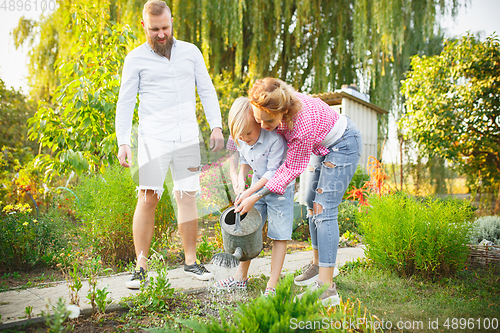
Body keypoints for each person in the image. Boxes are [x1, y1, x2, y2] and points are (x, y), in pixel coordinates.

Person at [115, 0, 224, 289]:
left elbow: (207, 88)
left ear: (172, 22)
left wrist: (216, 126)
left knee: (187, 197)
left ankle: (190, 261)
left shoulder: (191, 52)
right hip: (152, 137)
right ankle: (140, 266)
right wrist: (123, 141)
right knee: (148, 197)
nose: (161, 34)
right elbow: (125, 102)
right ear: (144, 27)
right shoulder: (135, 59)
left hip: (187, 136)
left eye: (165, 27)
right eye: (154, 30)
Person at [236, 78, 362, 306]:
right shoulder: (273, 102)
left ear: (283, 111)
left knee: (323, 209)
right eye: (258, 119)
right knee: (309, 203)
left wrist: (254, 196)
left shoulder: (300, 125)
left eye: (268, 121)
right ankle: (318, 264)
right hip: (320, 144)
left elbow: (290, 169)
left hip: (342, 143)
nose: (263, 127)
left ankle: (327, 289)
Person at [214, 97, 294, 296]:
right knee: (247, 230)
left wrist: (250, 193)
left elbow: (272, 174)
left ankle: (272, 285)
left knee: (278, 235)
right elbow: (242, 158)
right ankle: (240, 278)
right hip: (257, 185)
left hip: (280, 189)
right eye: (240, 136)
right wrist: (241, 179)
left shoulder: (274, 138)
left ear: (258, 121)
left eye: (248, 133)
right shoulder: (241, 137)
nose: (245, 138)